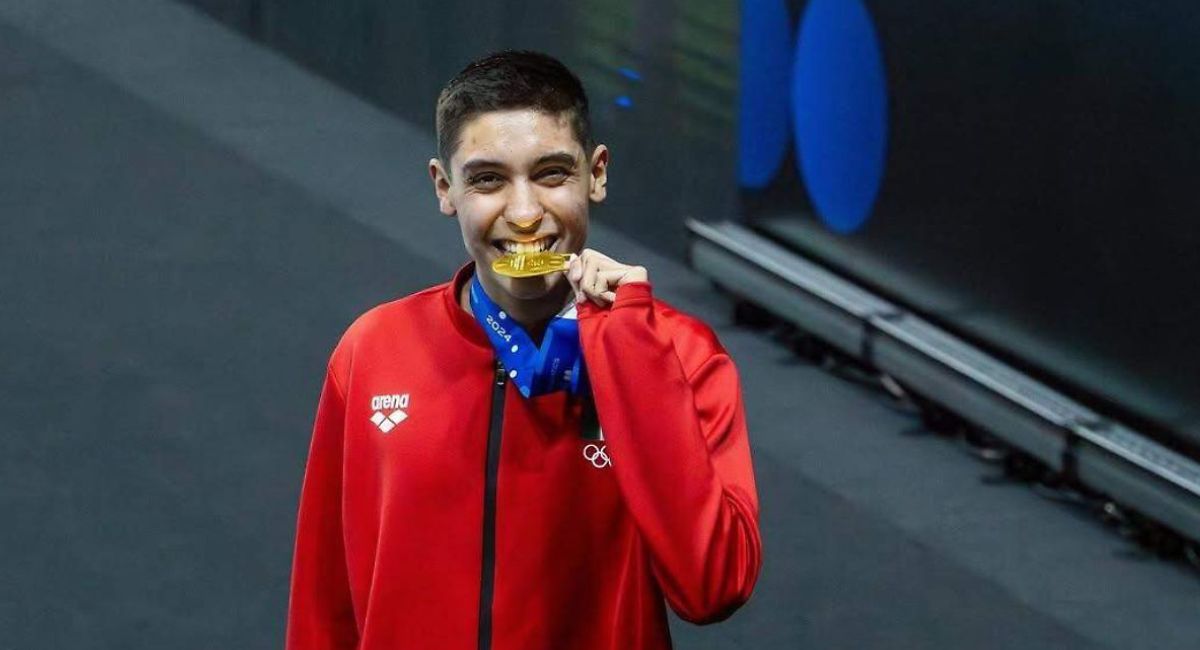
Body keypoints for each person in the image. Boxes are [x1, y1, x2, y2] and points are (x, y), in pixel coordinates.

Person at [285, 50, 761, 650]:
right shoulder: (372, 352)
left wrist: (633, 355)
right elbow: (323, 608)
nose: (526, 214)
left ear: (597, 174)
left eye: (552, 174)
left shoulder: (682, 356)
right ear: (444, 187)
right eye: (488, 179)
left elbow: (713, 586)